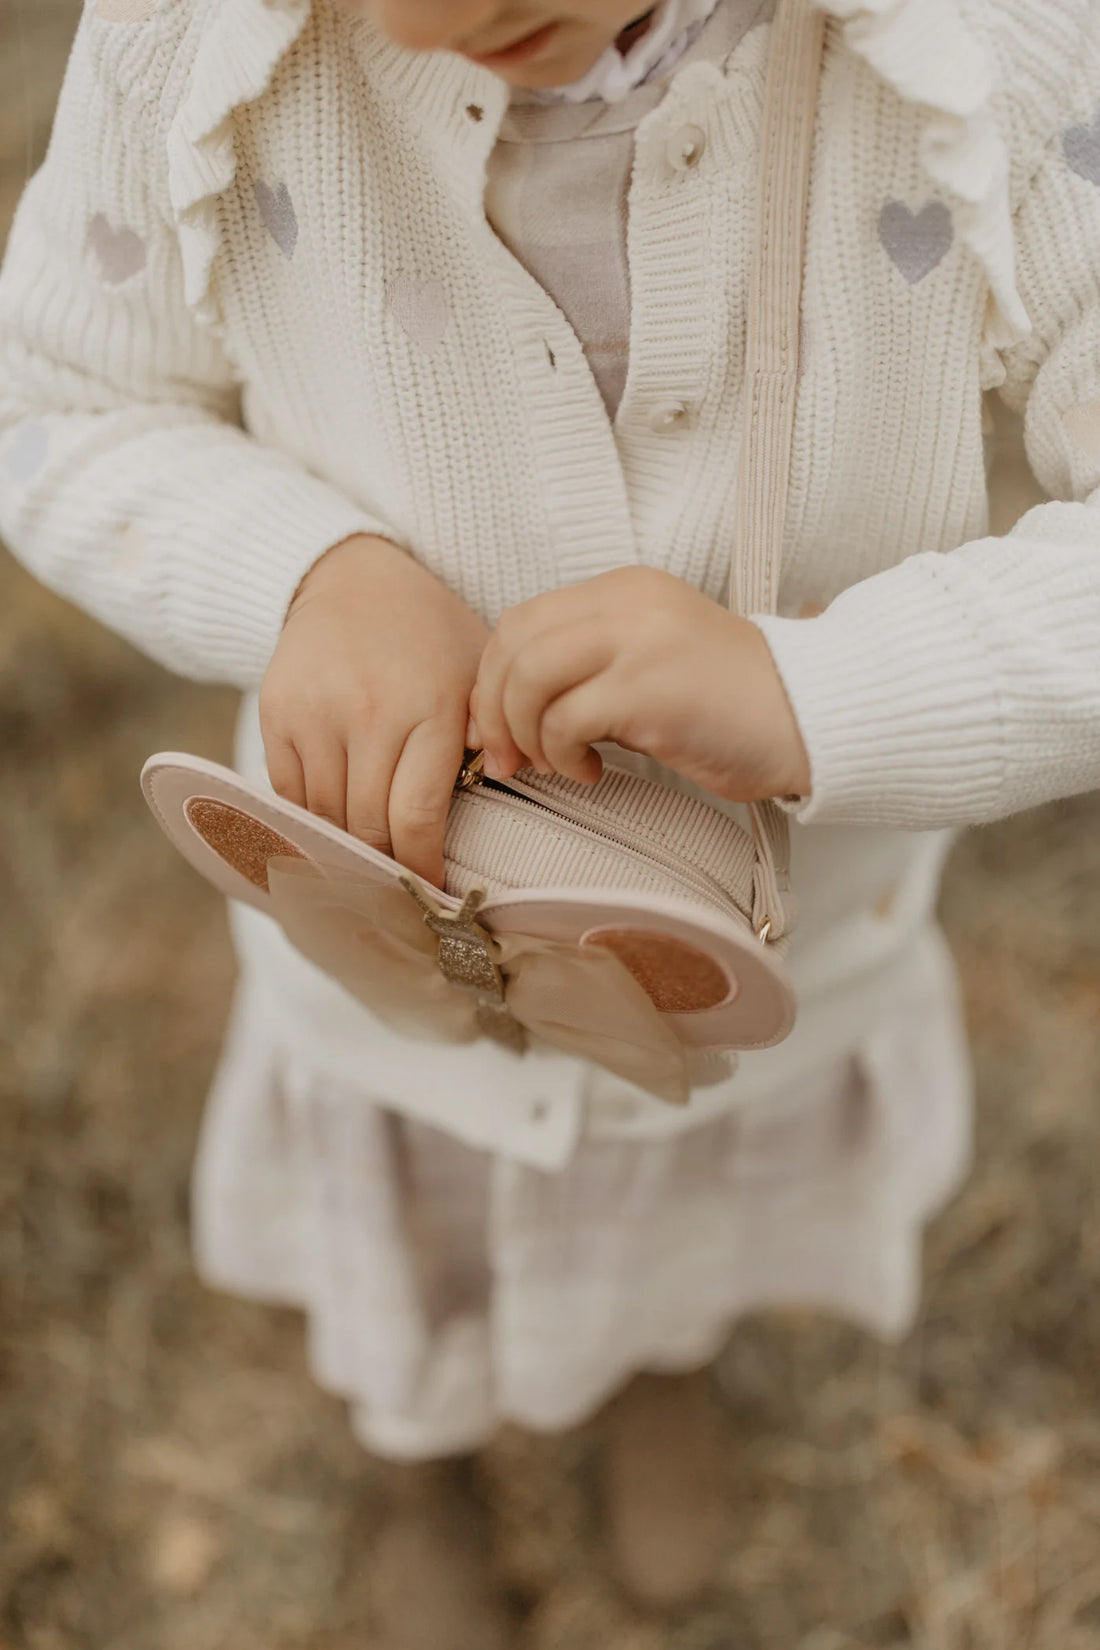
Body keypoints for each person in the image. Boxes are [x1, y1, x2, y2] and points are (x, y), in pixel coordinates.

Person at [2, 0, 1099, 1635]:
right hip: (393, 934)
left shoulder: (996, 58)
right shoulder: (198, 37)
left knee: (689, 1187)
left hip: (753, 962)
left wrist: (818, 691)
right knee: (416, 1242)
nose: (429, 26)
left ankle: (659, 1360)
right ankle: (416, 1448)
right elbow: (54, 399)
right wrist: (312, 572)